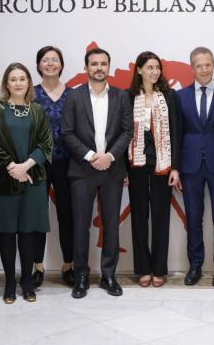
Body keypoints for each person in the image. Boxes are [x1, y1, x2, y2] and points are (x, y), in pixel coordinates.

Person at [62, 47, 132, 298]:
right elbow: (67, 132)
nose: (99, 68)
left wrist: (109, 157)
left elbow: (127, 132)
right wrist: (92, 157)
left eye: (103, 63)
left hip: (112, 170)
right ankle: (81, 275)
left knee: (111, 225)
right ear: (86, 67)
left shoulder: (121, 97)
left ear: (109, 67)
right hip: (82, 171)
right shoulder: (74, 96)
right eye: (94, 64)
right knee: (80, 226)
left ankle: (108, 275)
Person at [0, 62, 52, 304]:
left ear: (29, 83)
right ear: (6, 84)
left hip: (32, 179)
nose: (19, 83)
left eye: (23, 78)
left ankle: (27, 282)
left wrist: (26, 166)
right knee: (8, 232)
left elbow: (46, 144)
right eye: (14, 79)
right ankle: (10, 282)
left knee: (28, 232)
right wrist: (13, 168)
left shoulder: (38, 111)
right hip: (4, 179)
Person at [176, 47, 214, 287]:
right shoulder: (180, 96)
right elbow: (177, 134)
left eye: (208, 64)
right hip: (190, 167)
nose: (204, 69)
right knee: (194, 219)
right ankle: (195, 265)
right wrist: (175, 168)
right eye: (199, 65)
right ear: (192, 67)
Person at [127, 51, 180, 288]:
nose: (154, 71)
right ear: (139, 70)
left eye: (157, 67)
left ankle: (159, 268)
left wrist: (175, 168)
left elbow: (176, 133)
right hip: (135, 163)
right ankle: (142, 268)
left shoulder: (169, 96)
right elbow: (122, 133)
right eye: (149, 67)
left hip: (163, 162)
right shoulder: (128, 97)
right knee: (139, 215)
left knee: (161, 215)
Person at [32, 46, 75, 288]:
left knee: (67, 215)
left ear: (61, 65)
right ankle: (37, 266)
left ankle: (68, 265)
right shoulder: (30, 94)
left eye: (55, 60)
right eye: (45, 60)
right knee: (37, 215)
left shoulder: (73, 94)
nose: (50, 64)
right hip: (37, 163)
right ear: (38, 65)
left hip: (68, 162)